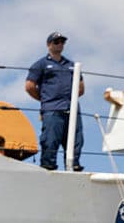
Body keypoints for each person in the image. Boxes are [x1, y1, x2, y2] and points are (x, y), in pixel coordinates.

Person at [25, 32, 85, 171]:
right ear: (49, 44)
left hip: (72, 109)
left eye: (62, 42)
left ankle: (73, 166)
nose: (59, 44)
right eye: (56, 42)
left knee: (76, 140)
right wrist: (45, 99)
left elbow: (81, 88)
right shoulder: (41, 64)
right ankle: (48, 167)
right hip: (52, 109)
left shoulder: (72, 65)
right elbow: (29, 86)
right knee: (50, 140)